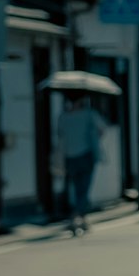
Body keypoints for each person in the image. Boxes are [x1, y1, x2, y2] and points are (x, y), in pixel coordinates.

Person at [55, 90, 107, 234]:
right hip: (86, 154)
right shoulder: (89, 114)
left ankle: (79, 217)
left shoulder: (63, 116)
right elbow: (102, 129)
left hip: (69, 156)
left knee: (75, 187)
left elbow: (60, 134)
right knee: (84, 188)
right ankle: (78, 215)